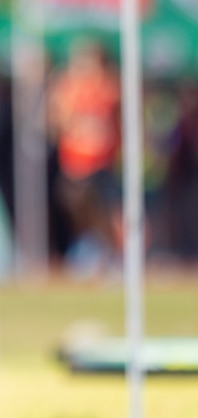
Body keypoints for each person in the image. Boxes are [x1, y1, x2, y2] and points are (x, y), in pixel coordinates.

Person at [47, 39, 121, 276]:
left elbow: (119, 117)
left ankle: (109, 254)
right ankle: (89, 249)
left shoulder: (109, 86)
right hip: (74, 163)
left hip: (102, 163)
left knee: (105, 210)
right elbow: (55, 120)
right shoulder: (68, 87)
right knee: (72, 203)